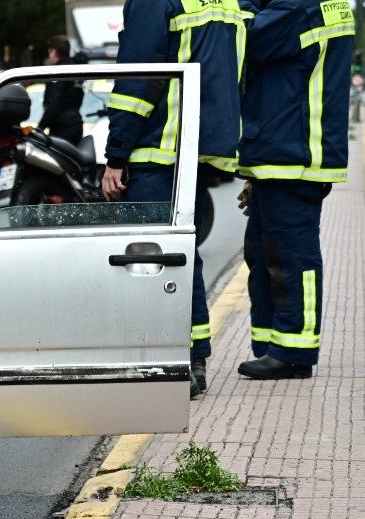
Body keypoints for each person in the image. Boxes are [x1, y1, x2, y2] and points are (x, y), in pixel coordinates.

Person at [101, 0, 246, 397]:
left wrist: (116, 155)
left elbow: (139, 80)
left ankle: (173, 365)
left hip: (157, 151)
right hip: (194, 150)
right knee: (183, 258)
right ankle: (191, 362)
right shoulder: (226, 3)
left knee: (156, 264)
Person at [234, 0, 354, 379]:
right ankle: (273, 344)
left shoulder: (297, 7)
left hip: (293, 153)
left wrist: (245, 5)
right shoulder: (320, 5)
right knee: (265, 253)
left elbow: (246, 41)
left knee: (291, 256)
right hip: (284, 150)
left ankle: (294, 351)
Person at [37, 36, 86, 145]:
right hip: (76, 123)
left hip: (62, 127)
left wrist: (40, 127)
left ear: (53, 52)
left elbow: (54, 103)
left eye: (49, 52)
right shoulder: (76, 68)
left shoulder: (59, 71)